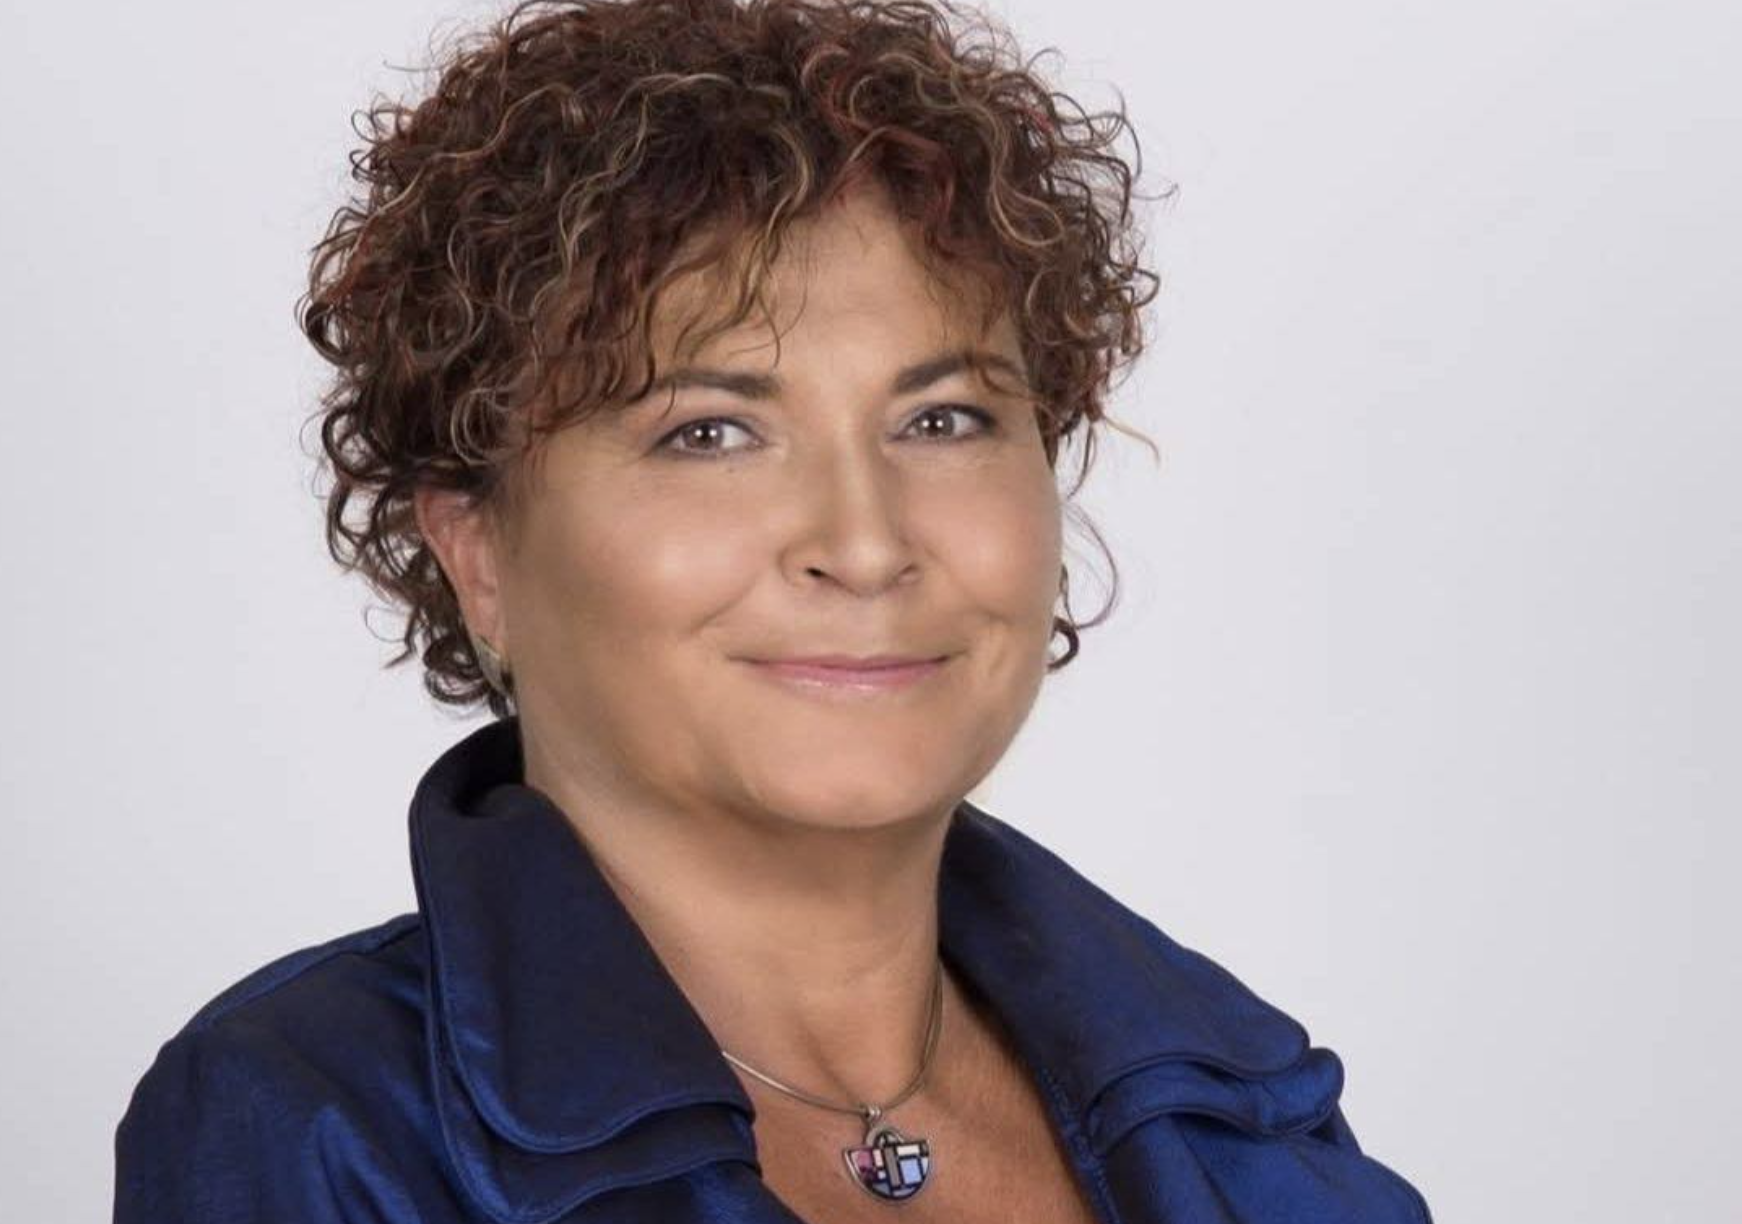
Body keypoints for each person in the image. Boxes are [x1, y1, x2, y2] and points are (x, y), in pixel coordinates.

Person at [113, 1, 1434, 1221]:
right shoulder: (316, 1127)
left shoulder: (1243, 1110)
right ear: (477, 553)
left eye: (942, 418)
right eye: (709, 432)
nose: (863, 545)